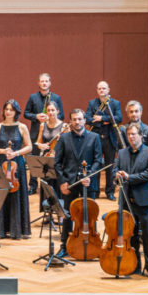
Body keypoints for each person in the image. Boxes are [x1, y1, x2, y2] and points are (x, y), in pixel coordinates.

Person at [52, 109, 102, 259]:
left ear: (84, 121)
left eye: (80, 119)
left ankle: (94, 245)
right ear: (71, 122)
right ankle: (64, 246)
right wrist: (62, 182)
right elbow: (57, 163)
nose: (77, 122)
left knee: (91, 214)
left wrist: (90, 176)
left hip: (89, 183)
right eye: (74, 119)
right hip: (70, 183)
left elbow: (99, 160)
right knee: (68, 215)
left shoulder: (94, 137)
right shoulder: (64, 138)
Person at [114, 124, 148, 281]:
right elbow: (115, 170)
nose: (131, 137)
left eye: (134, 134)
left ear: (141, 136)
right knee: (131, 236)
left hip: (145, 202)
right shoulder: (122, 153)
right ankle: (135, 265)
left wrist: (128, 177)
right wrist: (117, 175)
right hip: (127, 201)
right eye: (129, 134)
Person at [0, 100, 32, 240]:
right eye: (6, 109)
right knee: (0, 194)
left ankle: (17, 229)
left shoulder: (22, 127)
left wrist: (16, 153)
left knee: (16, 195)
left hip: (16, 164)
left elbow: (29, 146)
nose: (8, 112)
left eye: (11, 109)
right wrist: (3, 151)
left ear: (16, 112)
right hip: (1, 163)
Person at [85, 80, 123, 200]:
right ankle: (95, 191)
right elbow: (87, 119)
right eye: (100, 89)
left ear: (108, 90)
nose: (102, 90)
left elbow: (118, 118)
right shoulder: (92, 103)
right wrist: (105, 122)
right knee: (96, 165)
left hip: (110, 139)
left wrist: (101, 118)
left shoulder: (115, 103)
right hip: (95, 138)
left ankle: (109, 191)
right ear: (97, 90)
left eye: (104, 88)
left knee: (109, 167)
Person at [23, 73, 64, 146]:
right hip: (35, 133)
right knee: (35, 156)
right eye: (42, 81)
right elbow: (26, 113)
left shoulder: (56, 98)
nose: (44, 83)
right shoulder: (33, 97)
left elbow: (62, 115)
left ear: (50, 83)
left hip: (52, 133)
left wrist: (50, 117)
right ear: (39, 83)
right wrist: (36, 116)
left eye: (46, 81)